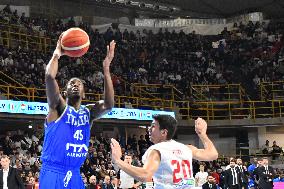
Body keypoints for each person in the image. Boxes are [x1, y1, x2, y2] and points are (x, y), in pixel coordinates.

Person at [39, 34, 115, 189]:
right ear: (64, 92)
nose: (75, 84)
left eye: (79, 83)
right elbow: (49, 76)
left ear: (84, 93)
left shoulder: (88, 114)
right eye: (71, 83)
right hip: (53, 171)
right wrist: (57, 54)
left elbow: (108, 105)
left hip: (74, 172)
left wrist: (106, 70)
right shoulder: (58, 107)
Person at [111, 115, 218, 188]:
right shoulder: (186, 148)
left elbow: (144, 175)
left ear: (163, 132)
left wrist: (118, 161)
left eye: (153, 126)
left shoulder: (156, 150)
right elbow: (213, 154)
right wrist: (202, 134)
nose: (149, 129)